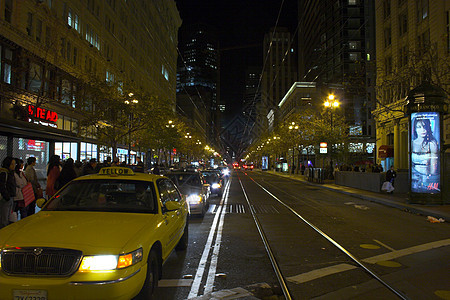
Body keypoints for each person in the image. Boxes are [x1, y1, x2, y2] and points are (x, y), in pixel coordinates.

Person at [411, 117, 439, 192]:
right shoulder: (412, 143)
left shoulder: (432, 143)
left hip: (427, 177)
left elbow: (434, 165)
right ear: (415, 129)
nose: (423, 130)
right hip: (414, 177)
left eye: (424, 126)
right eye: (419, 127)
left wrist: (430, 178)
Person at [0, 157, 16, 228]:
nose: (14, 165)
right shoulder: (4, 173)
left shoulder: (10, 173)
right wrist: (7, 196)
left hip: (9, 197)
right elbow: (2, 186)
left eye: (14, 164)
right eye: (12, 164)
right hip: (5, 198)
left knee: (7, 216)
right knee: (4, 218)